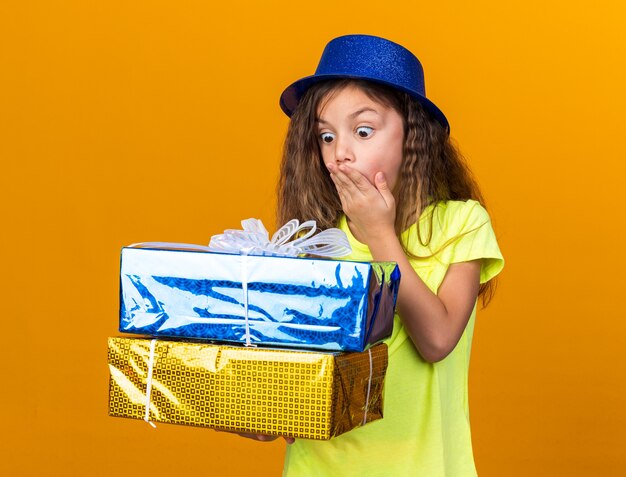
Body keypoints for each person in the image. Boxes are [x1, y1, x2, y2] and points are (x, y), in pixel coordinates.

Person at [249, 34, 504, 476]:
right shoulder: (316, 241)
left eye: (362, 131)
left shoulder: (461, 224)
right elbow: (294, 375)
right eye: (325, 136)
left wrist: (380, 234)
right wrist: (261, 409)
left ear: (412, 134)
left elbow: (438, 340)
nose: (339, 154)